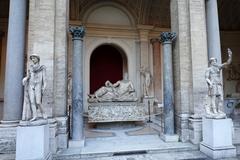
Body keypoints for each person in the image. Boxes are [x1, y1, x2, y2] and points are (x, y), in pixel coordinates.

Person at [205, 48, 232, 118]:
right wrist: (210, 83)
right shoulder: (208, 69)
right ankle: (214, 111)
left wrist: (230, 56)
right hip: (213, 84)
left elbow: (227, 63)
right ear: (211, 62)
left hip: (218, 84)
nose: (215, 62)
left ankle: (219, 110)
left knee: (221, 98)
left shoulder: (218, 67)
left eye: (215, 61)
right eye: (213, 61)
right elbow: (206, 78)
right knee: (213, 98)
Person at [22, 54, 47, 121]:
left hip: (38, 85)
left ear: (37, 59)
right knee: (32, 101)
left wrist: (44, 87)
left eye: (34, 58)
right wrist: (25, 78)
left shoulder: (42, 67)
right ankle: (35, 116)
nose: (33, 59)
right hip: (31, 85)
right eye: (32, 58)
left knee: (38, 102)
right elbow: (28, 76)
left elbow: (44, 79)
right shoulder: (30, 67)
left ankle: (43, 113)